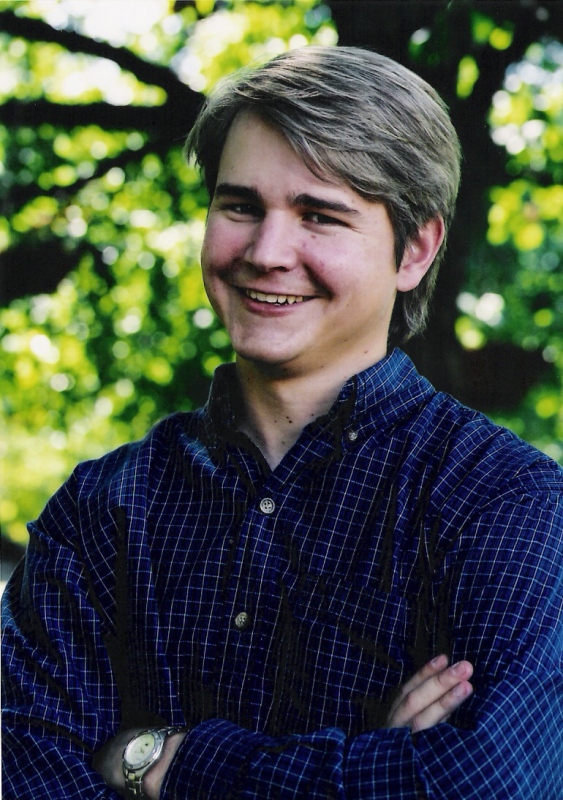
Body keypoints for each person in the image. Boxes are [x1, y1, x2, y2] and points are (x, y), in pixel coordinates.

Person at [2, 45, 562, 799]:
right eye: (240, 206)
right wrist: (372, 770)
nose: (266, 253)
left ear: (415, 250)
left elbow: (483, 785)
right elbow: (24, 773)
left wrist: (161, 761)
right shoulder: (99, 513)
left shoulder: (504, 502)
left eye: (319, 215)